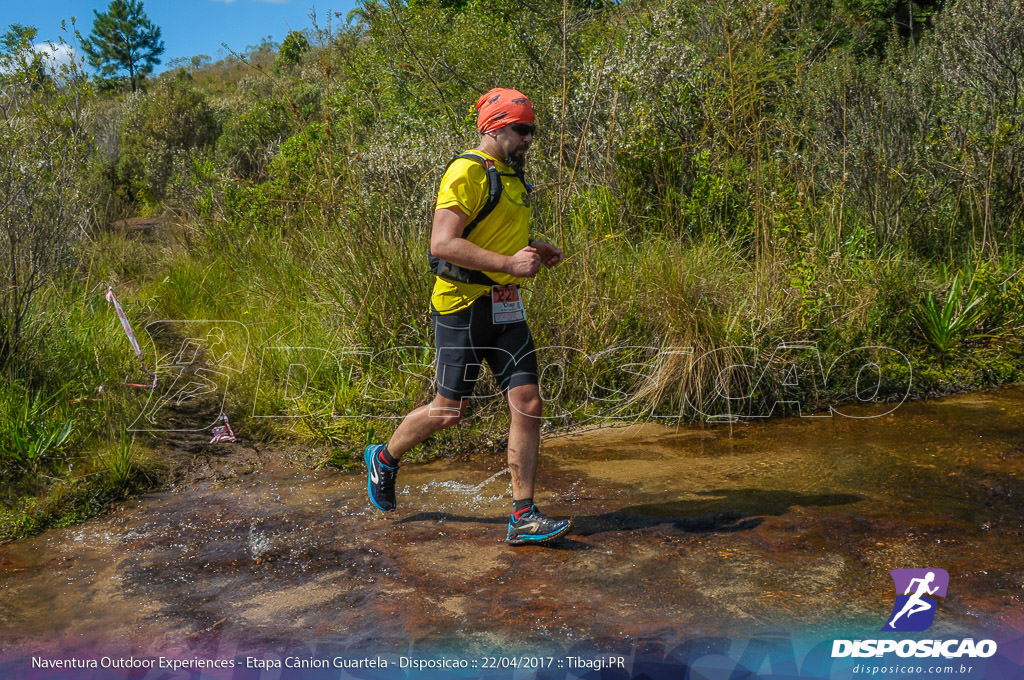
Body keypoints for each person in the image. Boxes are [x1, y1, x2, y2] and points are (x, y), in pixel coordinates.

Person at [363, 88, 572, 546]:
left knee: (529, 402)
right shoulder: (466, 171)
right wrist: (509, 265)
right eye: (522, 130)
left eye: (532, 130)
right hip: (461, 306)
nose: (528, 140)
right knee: (448, 410)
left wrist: (534, 248)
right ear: (494, 127)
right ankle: (384, 457)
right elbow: (442, 243)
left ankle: (523, 514)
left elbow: (494, 233)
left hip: (504, 305)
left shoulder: (512, 176)